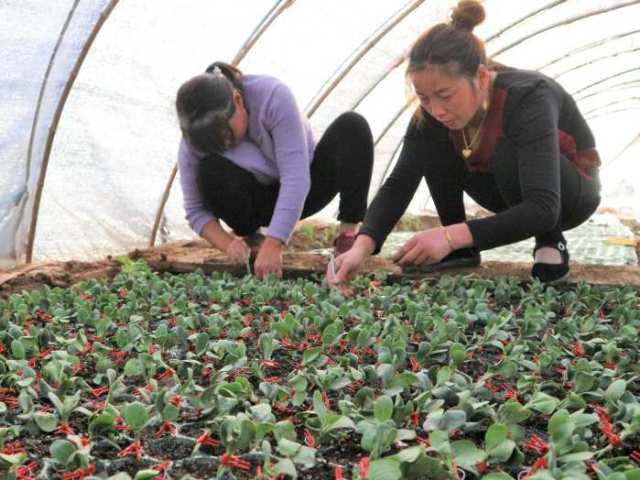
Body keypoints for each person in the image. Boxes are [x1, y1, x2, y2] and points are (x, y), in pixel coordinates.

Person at [329, 0, 601, 286]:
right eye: (424, 97)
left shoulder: (529, 96)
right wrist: (361, 247)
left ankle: (550, 243)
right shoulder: (433, 115)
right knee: (432, 143)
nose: (436, 109)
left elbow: (544, 207)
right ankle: (462, 250)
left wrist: (449, 237)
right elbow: (398, 184)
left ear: (481, 77)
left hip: (569, 194)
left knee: (506, 153)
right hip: (505, 190)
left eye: (445, 95)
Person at [176, 62, 374, 279]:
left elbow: (295, 178)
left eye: (226, 137)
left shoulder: (272, 96)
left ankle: (348, 236)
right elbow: (195, 209)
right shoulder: (195, 140)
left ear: (238, 100)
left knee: (352, 127)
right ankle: (252, 238)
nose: (225, 146)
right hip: (254, 204)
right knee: (209, 169)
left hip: (305, 190)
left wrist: (275, 242)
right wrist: (228, 244)